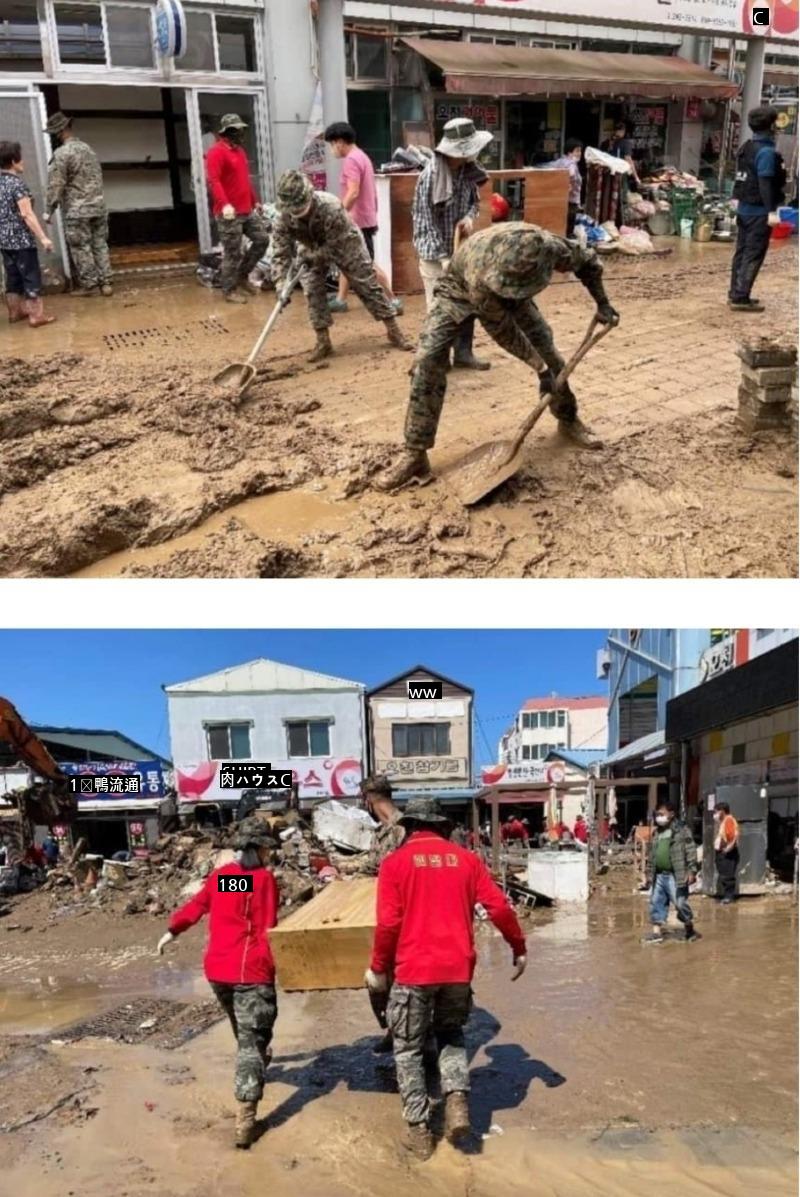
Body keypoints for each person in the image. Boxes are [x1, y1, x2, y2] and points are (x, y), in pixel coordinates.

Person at [375, 221, 620, 490]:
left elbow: (590, 263)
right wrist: (539, 370)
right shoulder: (483, 279)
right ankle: (415, 454)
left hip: (510, 293)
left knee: (550, 354)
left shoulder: (549, 247)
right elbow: (504, 332)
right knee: (428, 360)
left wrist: (603, 303)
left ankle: (568, 418)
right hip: (458, 290)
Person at [365, 796, 527, 1160]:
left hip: (413, 973)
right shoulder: (467, 860)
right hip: (456, 971)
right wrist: (518, 946)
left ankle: (420, 1133)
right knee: (451, 1036)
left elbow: (388, 924)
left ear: (408, 827)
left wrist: (378, 967)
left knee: (407, 1050)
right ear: (442, 826)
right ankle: (456, 1103)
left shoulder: (394, 864)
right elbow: (499, 907)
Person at [157, 818, 279, 1148]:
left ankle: (255, 1059)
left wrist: (172, 931)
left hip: (218, 970)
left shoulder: (225, 878)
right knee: (251, 1041)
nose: (269, 853)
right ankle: (246, 1121)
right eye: (266, 847)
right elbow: (268, 924)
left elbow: (198, 906)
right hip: (250, 970)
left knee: (245, 1031)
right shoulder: (264, 880)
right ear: (257, 849)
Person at [271, 169, 412, 361]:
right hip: (309, 246)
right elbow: (280, 253)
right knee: (311, 289)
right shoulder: (283, 216)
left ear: (310, 196)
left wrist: (314, 257)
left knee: (366, 283)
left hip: (345, 242)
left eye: (300, 207)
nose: (297, 212)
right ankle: (323, 341)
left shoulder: (331, 207)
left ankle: (393, 329)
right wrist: (281, 284)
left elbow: (334, 247)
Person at [413, 117, 493, 372]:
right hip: (435, 255)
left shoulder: (469, 171)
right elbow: (424, 222)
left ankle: (464, 354)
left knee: (468, 302)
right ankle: (437, 358)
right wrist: (443, 258)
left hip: (461, 252)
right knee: (441, 309)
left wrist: (469, 219)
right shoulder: (431, 177)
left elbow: (474, 203)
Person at [323, 121, 402, 315]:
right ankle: (341, 299)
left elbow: (353, 192)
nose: (332, 149)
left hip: (357, 221)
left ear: (340, 142)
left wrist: (337, 213)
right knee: (346, 260)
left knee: (365, 265)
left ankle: (393, 300)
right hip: (364, 218)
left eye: (332, 144)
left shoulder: (351, 160)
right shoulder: (362, 157)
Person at [44, 112, 111, 298]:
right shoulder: (89, 149)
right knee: (100, 244)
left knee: (81, 247)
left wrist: (49, 210)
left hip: (77, 210)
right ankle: (106, 283)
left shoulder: (62, 153)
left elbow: (56, 184)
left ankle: (89, 285)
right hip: (98, 206)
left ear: (58, 133)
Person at [205, 114, 270, 304]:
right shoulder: (216, 152)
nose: (241, 134)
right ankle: (229, 290)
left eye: (242, 130)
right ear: (227, 132)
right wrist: (225, 204)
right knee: (233, 252)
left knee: (262, 240)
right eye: (237, 130)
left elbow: (245, 179)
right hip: (228, 213)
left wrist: (254, 201)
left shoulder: (240, 151)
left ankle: (242, 276)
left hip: (246, 210)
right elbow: (214, 181)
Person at [729, 106, 786, 313]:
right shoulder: (767, 153)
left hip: (744, 209)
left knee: (742, 252)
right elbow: (765, 183)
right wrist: (771, 211)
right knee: (753, 254)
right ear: (771, 126)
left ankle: (735, 293)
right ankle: (740, 297)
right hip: (758, 212)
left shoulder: (747, 147)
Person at [0, 140, 55, 327]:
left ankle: (15, 313)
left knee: (12, 278)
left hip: (4, 242)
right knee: (31, 277)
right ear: (14, 161)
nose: (23, 162)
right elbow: (27, 214)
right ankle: (36, 317)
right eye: (21, 159)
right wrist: (44, 238)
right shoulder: (17, 185)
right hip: (22, 242)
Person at [646, 801, 700, 944]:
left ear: (671, 814)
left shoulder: (681, 831)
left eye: (662, 814)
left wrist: (692, 870)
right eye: (657, 815)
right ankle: (656, 933)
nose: (659, 817)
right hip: (659, 875)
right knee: (656, 902)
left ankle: (689, 928)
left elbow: (691, 850)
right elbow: (651, 855)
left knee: (680, 904)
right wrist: (648, 873)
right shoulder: (657, 833)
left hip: (675, 875)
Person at [550, 139, 584, 235]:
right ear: (569, 152)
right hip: (570, 201)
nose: (580, 153)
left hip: (559, 199)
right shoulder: (571, 163)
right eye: (577, 151)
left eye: (580, 151)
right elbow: (571, 174)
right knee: (568, 228)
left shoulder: (560, 161)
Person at [714, 801, 740, 904]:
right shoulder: (724, 821)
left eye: (716, 812)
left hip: (727, 854)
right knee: (724, 875)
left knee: (727, 876)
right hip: (724, 853)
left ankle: (728, 897)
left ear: (722, 811)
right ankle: (726, 896)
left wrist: (726, 850)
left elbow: (733, 838)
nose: (715, 815)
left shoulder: (729, 820)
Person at [602, 121, 641, 187]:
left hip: (606, 174)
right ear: (623, 131)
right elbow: (628, 160)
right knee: (619, 194)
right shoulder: (625, 143)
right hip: (619, 175)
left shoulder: (605, 143)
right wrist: (636, 177)